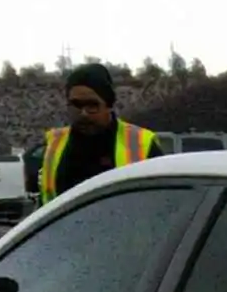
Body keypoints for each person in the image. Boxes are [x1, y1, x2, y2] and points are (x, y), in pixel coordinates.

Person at [38, 63, 161, 206]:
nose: (83, 113)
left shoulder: (141, 144)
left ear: (109, 105)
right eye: (76, 105)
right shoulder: (54, 145)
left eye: (92, 105)